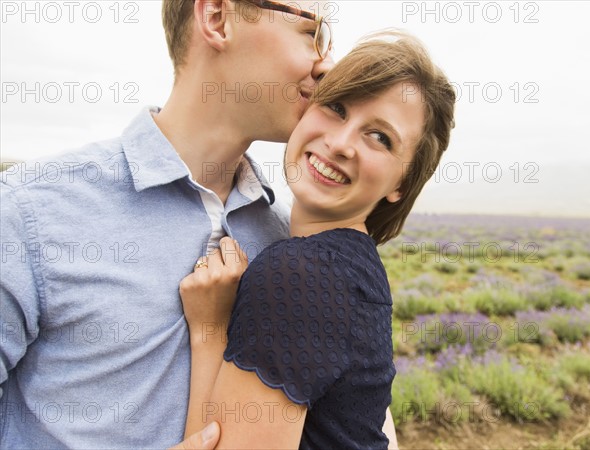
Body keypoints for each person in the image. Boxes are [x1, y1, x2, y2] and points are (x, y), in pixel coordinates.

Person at [0, 0, 333, 447]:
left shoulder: (286, 242)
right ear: (217, 19)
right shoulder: (29, 211)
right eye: (313, 34)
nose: (328, 64)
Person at [179, 30, 456, 449]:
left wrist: (210, 331)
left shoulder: (302, 273)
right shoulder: (356, 266)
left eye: (380, 137)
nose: (341, 143)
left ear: (402, 182)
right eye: (336, 107)